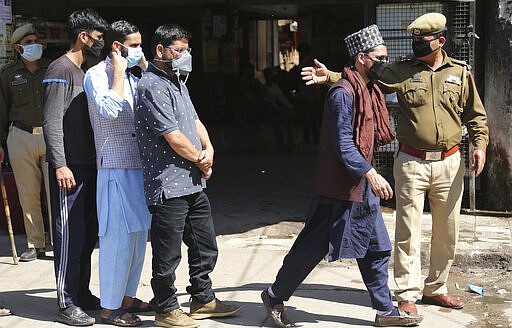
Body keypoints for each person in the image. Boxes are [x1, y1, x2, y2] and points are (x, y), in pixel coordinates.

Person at [301, 13, 489, 315]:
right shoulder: (400, 71)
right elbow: (361, 83)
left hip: (450, 163)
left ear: (440, 41)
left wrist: (479, 145)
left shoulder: (460, 72)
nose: (416, 45)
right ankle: (407, 294)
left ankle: (436, 288)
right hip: (411, 162)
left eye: (422, 41)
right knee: (408, 230)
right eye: (414, 40)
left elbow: (475, 115)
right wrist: (332, 77)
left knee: (447, 231)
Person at [261, 25, 423, 328]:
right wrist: (371, 173)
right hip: (340, 188)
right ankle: (274, 295)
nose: (384, 63)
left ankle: (385, 311)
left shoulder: (369, 88)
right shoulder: (342, 95)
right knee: (312, 247)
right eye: (380, 57)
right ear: (362, 58)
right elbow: (343, 143)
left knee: (376, 248)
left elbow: (396, 78)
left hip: (360, 189)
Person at [135, 24, 240, 328]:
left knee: (204, 244)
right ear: (160, 51)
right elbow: (172, 136)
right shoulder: (151, 85)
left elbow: (193, 122)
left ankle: (202, 299)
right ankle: (166, 309)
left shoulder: (178, 82)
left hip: (192, 181)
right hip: (168, 184)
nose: (184, 56)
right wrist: (200, 159)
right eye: (178, 50)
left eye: (186, 51)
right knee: (167, 255)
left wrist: (208, 149)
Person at [83, 20, 153, 327]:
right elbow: (109, 110)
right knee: (117, 239)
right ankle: (110, 307)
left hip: (138, 165)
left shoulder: (137, 77)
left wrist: (144, 69)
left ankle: (126, 296)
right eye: (135, 45)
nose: (139, 50)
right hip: (113, 167)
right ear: (117, 46)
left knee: (138, 238)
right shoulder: (96, 76)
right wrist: (121, 73)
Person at [42, 8, 109, 326]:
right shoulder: (61, 69)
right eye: (98, 37)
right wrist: (60, 164)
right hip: (69, 169)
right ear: (83, 36)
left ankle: (81, 293)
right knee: (68, 235)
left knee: (86, 234)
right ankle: (66, 302)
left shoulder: (89, 71)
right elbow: (51, 121)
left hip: (90, 166)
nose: (101, 42)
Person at [0, 23, 51, 262]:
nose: (34, 45)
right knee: (28, 193)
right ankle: (35, 244)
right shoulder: (9, 74)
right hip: (21, 136)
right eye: (29, 42)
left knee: (57, 192)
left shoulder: (52, 69)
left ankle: (60, 241)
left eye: (36, 40)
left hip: (51, 136)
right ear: (19, 47)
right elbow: (2, 110)